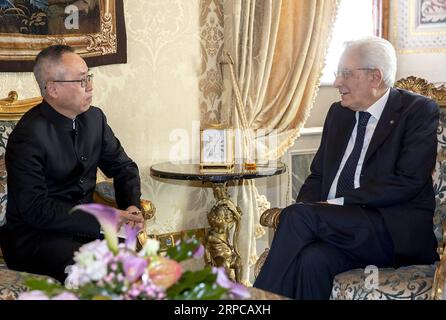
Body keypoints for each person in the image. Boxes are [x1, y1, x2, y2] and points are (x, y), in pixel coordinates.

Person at [254, 37, 439, 299]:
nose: (338, 82)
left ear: (375, 77)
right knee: (312, 259)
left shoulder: (417, 111)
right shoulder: (338, 113)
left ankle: (253, 301)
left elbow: (408, 181)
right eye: (337, 73)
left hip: (388, 231)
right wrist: (314, 209)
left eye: (345, 73)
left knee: (297, 216)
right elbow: (317, 175)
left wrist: (333, 206)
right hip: (340, 227)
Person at [0, 45, 144, 283]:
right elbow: (35, 208)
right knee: (101, 273)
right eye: (81, 80)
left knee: (140, 265)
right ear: (53, 89)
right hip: (37, 239)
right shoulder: (28, 136)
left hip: (83, 233)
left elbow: (124, 168)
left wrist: (131, 207)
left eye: (89, 77)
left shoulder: (95, 119)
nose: (90, 86)